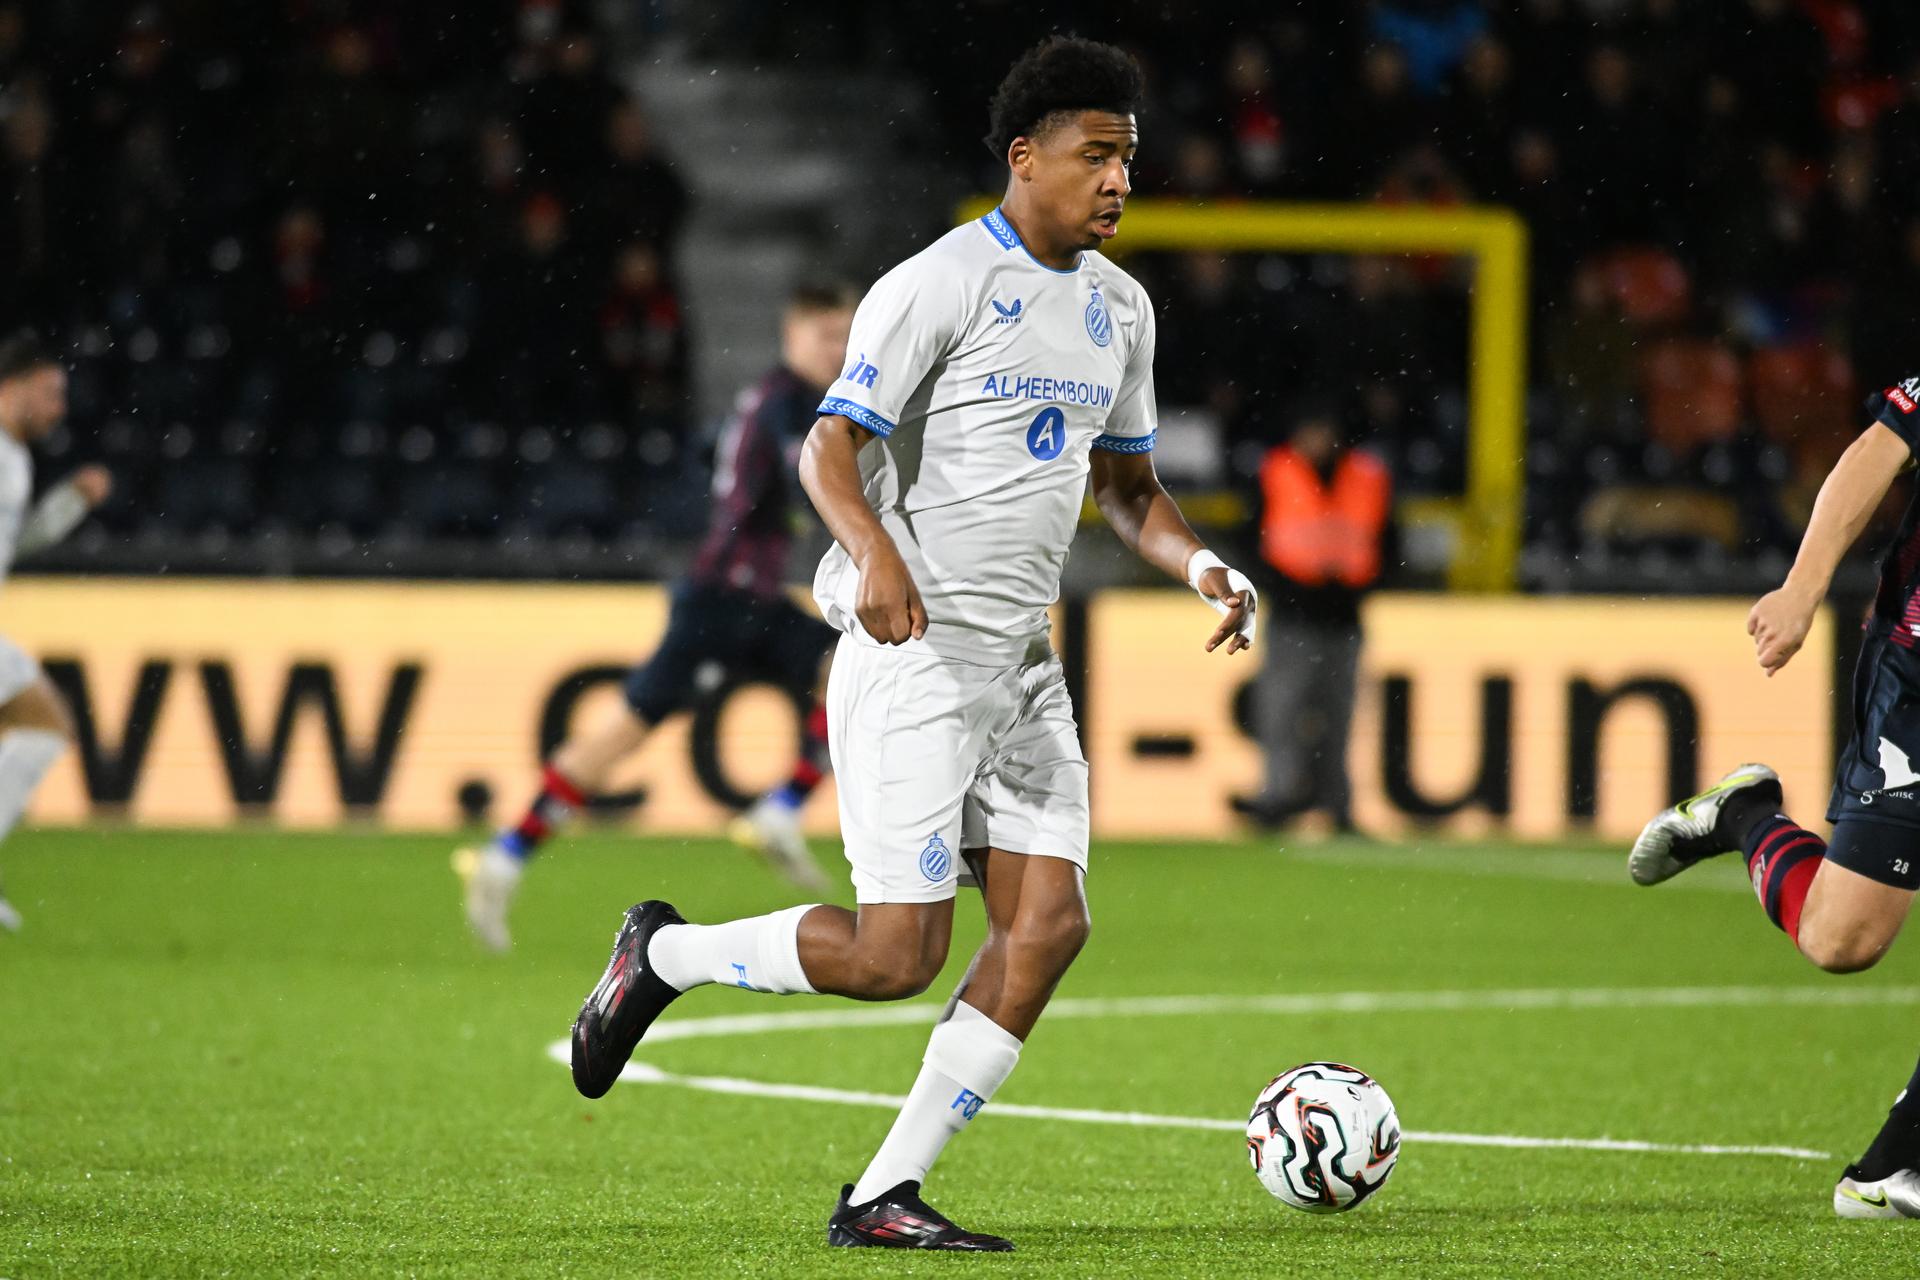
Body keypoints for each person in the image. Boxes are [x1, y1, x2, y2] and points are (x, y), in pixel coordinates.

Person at [565, 36, 1258, 1252]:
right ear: (1025, 156)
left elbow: (1129, 489)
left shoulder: (1120, 310)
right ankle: (663, 952)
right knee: (896, 954)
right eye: (1097, 158)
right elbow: (824, 450)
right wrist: (875, 554)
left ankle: (884, 1192)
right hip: (917, 656)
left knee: (1048, 926)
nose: (1118, 183)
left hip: (1023, 666)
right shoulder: (935, 283)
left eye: (1129, 162)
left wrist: (1202, 564)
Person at [455, 283, 859, 951]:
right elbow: (805, 482)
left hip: (750, 600)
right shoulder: (790, 402)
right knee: (621, 734)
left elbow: (715, 459)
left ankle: (782, 811)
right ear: (792, 337)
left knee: (847, 666)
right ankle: (506, 854)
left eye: (846, 336)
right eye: (824, 335)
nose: (837, 349)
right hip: (722, 604)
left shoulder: (766, 399)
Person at [1631, 375, 1920, 1218]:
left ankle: (1885, 1175)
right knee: (1844, 939)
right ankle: (1745, 815)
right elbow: (1875, 452)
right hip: (1915, 678)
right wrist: (1802, 587)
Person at [1234, 403, 1391, 833]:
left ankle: (1334, 804)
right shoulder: (1278, 472)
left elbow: (1386, 543)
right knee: (1284, 711)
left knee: (1336, 713)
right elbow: (1253, 541)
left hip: (1342, 616)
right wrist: (1286, 588)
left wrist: (1357, 588)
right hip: (1295, 614)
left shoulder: (1364, 476)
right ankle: (1280, 798)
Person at [0, 330, 112, 930]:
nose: (58, 408)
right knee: (46, 722)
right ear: (12, 386)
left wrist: (71, 501)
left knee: (31, 727)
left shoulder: (14, 459)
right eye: (49, 392)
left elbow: (16, 544)